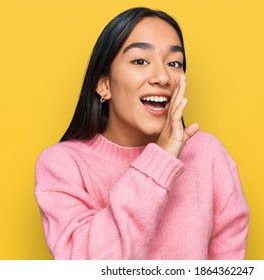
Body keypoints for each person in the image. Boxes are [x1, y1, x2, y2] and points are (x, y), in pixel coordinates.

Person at [35, 7, 249, 260]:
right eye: (140, 61)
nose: (162, 77)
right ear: (104, 84)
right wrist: (160, 159)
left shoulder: (206, 153)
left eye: (174, 63)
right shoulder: (62, 164)